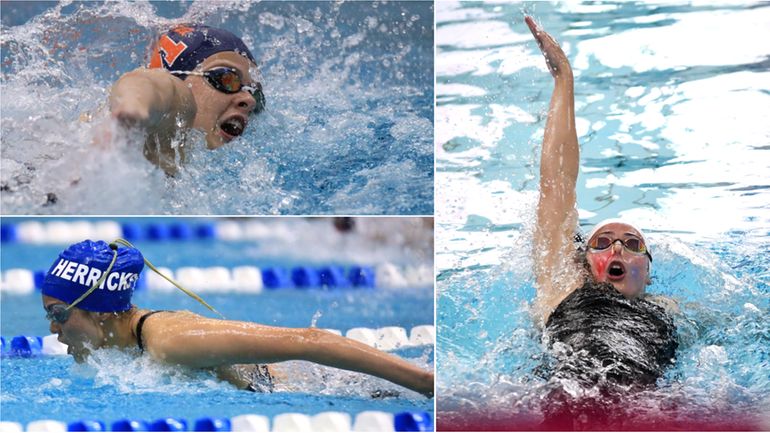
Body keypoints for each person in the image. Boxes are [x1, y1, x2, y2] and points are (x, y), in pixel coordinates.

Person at [41, 239, 434, 397]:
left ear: (102, 309)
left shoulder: (169, 341)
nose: (53, 328)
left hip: (330, 389)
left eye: (59, 313)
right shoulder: (136, 339)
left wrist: (425, 383)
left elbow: (311, 341)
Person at [525, 15, 678, 389]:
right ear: (583, 263)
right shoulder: (561, 288)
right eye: (603, 243)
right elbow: (557, 183)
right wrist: (564, 78)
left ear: (648, 270)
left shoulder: (669, 311)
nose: (618, 250)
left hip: (648, 404)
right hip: (570, 393)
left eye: (632, 245)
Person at [109, 24, 265, 176]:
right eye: (228, 79)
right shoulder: (161, 140)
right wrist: (134, 107)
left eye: (256, 93)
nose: (250, 99)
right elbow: (153, 83)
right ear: (179, 77)